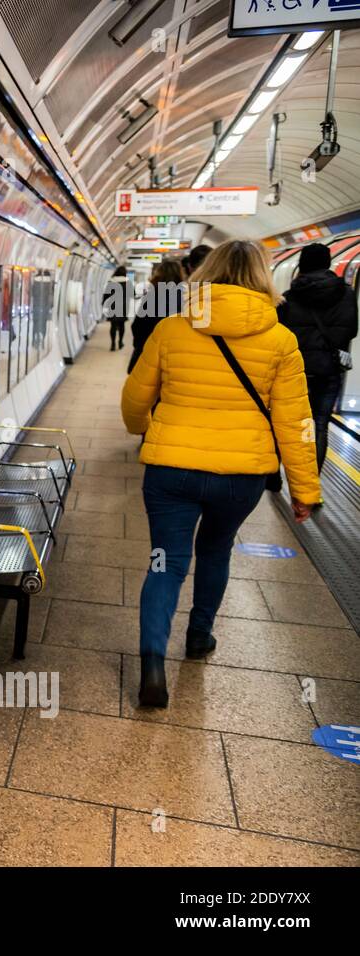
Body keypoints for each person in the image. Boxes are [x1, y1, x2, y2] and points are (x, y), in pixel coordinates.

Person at [120, 240, 320, 708]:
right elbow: (297, 422)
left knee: (165, 560)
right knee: (216, 549)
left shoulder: (172, 329)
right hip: (240, 475)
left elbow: (134, 400)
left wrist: (148, 431)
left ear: (205, 273)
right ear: (262, 276)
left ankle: (152, 666)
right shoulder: (281, 340)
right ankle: (199, 635)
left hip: (171, 470)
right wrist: (305, 489)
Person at [276, 242, 358, 472]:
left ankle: (277, 476)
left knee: (286, 423)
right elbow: (351, 330)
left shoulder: (290, 296)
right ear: (328, 262)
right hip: (328, 368)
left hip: (294, 369)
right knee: (319, 425)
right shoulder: (347, 294)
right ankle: (311, 484)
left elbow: (280, 331)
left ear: (302, 264)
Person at [128, 258, 185, 373]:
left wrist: (140, 346)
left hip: (149, 353)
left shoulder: (152, 296)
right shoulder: (186, 298)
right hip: (175, 357)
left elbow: (137, 326)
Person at [103, 265, 129, 351]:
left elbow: (106, 295)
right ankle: (120, 342)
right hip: (123, 307)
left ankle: (113, 344)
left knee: (113, 326)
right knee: (122, 325)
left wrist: (103, 304)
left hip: (112, 306)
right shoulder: (127, 282)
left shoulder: (111, 281)